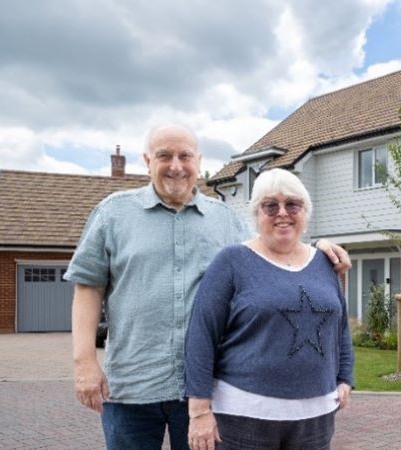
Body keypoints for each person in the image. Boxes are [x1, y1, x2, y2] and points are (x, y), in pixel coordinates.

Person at [65, 125, 350, 450]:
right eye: (164, 156)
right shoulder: (113, 214)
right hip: (132, 386)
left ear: (198, 161)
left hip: (205, 390)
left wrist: (320, 247)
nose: (176, 165)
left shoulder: (225, 220)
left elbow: (272, 246)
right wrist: (84, 362)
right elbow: (87, 288)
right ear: (147, 161)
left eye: (185, 156)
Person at [184, 168, 354, 450]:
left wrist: (346, 376)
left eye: (292, 204)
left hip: (315, 418)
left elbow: (340, 328)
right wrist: (199, 410)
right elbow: (201, 335)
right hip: (243, 418)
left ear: (305, 211)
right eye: (270, 205)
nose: (282, 213)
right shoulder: (232, 261)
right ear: (256, 214)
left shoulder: (325, 263)